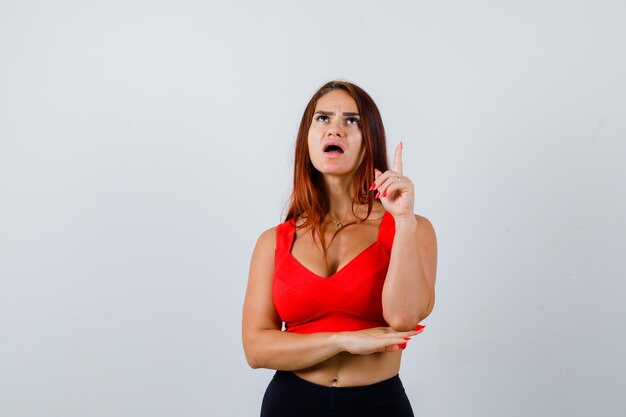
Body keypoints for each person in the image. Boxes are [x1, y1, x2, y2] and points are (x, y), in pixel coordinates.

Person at [242, 80, 438, 417]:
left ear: (369, 140)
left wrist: (403, 219)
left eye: (352, 120)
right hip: (290, 404)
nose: (335, 129)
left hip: (378, 406)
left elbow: (404, 318)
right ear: (308, 138)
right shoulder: (274, 241)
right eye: (323, 119)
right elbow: (256, 349)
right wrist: (342, 341)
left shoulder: (411, 228)